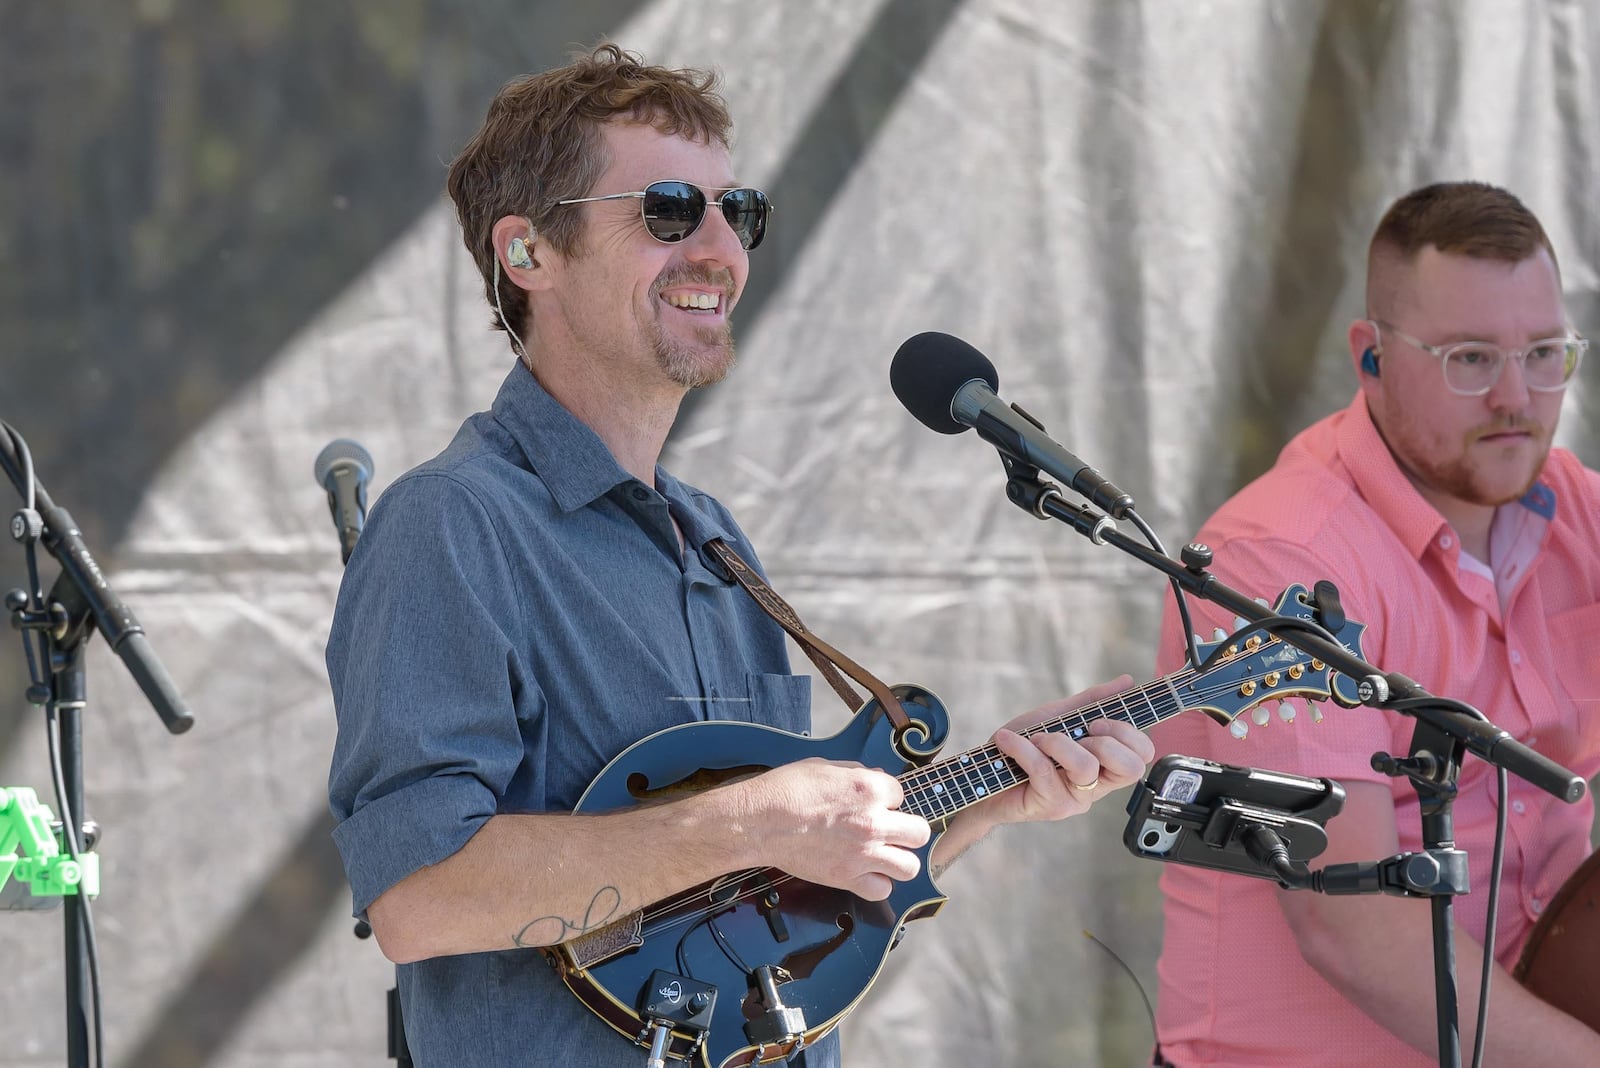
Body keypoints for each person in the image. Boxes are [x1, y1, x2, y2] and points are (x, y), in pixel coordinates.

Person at [325, 43, 1154, 1068]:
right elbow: (420, 894)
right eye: (670, 209)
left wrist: (989, 794)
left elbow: (764, 886)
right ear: (529, 253)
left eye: (739, 212)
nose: (720, 248)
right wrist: (753, 821)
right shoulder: (450, 524)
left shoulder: (711, 535)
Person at [1148, 181, 1600, 1067]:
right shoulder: (1275, 559)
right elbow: (1349, 926)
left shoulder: (1574, 508)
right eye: (1470, 359)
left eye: (1546, 352)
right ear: (1373, 355)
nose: (1517, 397)